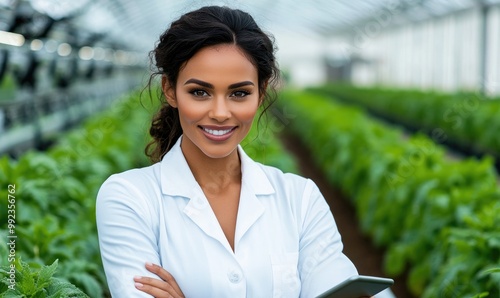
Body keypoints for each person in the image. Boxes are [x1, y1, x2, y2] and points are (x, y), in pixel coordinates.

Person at [96, 5, 358, 298]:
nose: (220, 113)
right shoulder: (129, 198)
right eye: (199, 92)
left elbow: (347, 290)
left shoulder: (301, 199)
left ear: (260, 93)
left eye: (239, 93)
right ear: (170, 90)